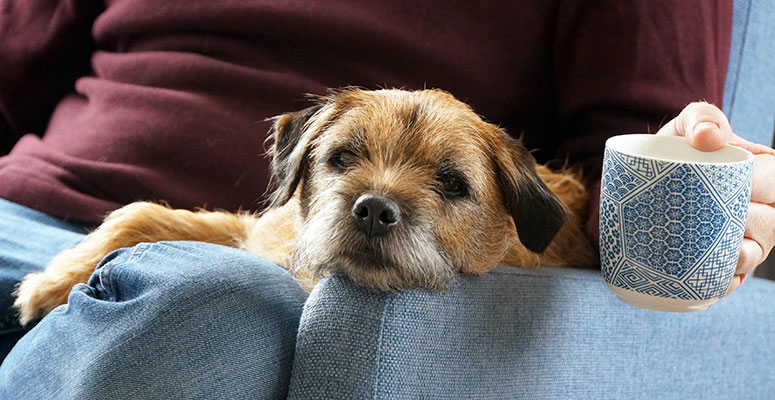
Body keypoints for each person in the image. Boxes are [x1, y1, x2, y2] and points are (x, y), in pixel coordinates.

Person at [0, 0, 772, 397]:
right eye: (346, 161)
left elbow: (638, 158)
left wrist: (686, 204)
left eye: (447, 182)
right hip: (22, 199)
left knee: (205, 316)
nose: (377, 202)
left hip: (196, 293)